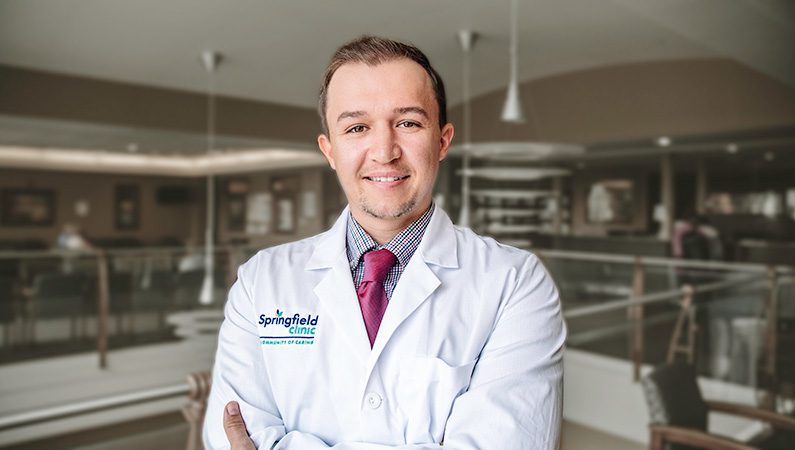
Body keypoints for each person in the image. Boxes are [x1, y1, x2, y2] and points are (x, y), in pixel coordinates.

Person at [203, 36, 566, 450]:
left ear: (442, 141)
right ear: (330, 150)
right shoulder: (259, 282)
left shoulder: (515, 282)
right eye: (357, 127)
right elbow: (229, 434)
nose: (384, 151)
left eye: (408, 123)